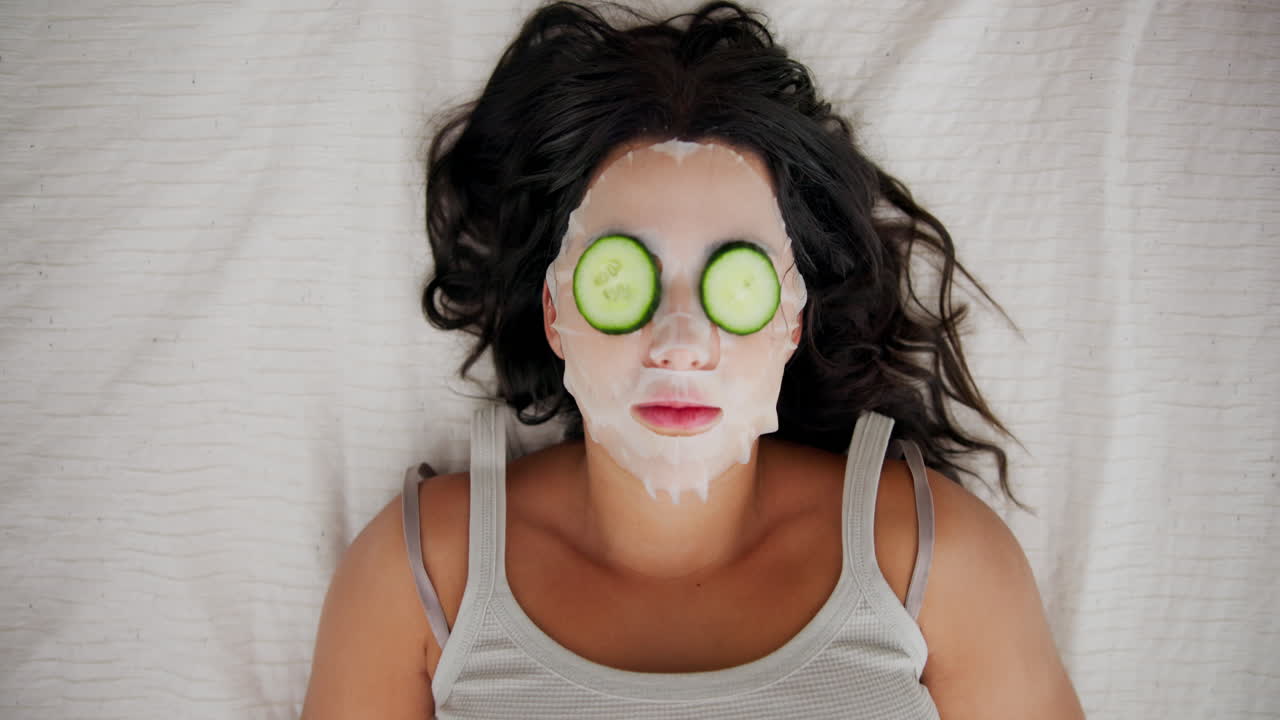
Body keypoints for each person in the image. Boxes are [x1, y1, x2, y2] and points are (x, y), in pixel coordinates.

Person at [302, 2, 1086, 717]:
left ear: (789, 321)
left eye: (733, 287)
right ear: (554, 313)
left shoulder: (934, 558)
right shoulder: (419, 577)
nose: (680, 342)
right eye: (622, 282)